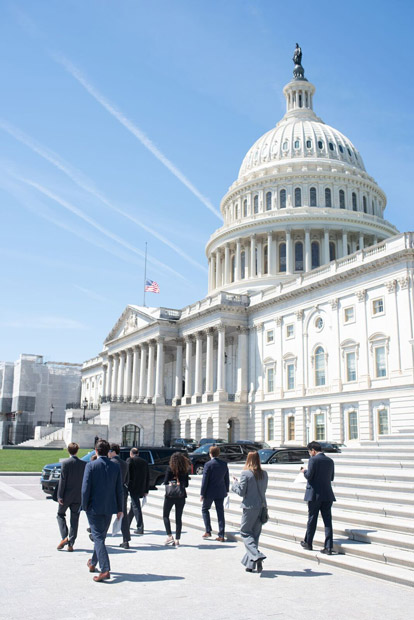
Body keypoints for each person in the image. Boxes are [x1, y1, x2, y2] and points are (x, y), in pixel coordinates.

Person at [81, 439, 123, 582]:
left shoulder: (91, 466)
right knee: (101, 537)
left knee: (98, 537)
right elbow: (119, 489)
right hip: (109, 507)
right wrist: (120, 508)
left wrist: (84, 505)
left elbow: (85, 489)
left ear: (96, 451)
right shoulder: (115, 467)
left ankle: (105, 569)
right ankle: (93, 563)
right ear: (108, 452)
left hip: (94, 507)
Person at [231, 451, 268, 573]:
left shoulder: (246, 473)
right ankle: (251, 564)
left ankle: (257, 555)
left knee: (245, 532)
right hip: (262, 506)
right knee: (254, 535)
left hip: (250, 507)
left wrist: (234, 484)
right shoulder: (264, 474)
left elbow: (241, 492)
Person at [300, 440, 336, 554]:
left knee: (312, 519)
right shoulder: (330, 461)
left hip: (314, 494)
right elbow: (331, 478)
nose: (310, 454)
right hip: (327, 494)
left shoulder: (313, 460)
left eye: (309, 452)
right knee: (327, 521)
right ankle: (329, 546)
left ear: (313, 451)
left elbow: (309, 476)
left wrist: (304, 471)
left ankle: (308, 542)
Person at [56, 442, 86, 552]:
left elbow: (62, 481)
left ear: (68, 451)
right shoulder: (83, 464)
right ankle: (71, 543)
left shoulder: (65, 463)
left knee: (60, 515)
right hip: (78, 496)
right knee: (75, 519)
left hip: (66, 495)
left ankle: (64, 537)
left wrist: (60, 495)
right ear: (77, 451)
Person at [200, 445, 229, 542]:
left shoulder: (208, 464)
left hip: (209, 492)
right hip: (220, 491)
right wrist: (227, 490)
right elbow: (226, 479)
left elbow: (205, 480)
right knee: (220, 512)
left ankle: (208, 530)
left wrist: (202, 493)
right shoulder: (224, 464)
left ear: (210, 454)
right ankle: (221, 534)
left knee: (205, 509)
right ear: (218, 453)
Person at [163, 452, 190, 547]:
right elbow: (186, 484)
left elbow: (165, 481)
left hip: (170, 495)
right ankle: (177, 539)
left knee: (166, 515)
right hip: (181, 495)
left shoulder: (170, 468)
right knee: (178, 518)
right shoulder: (185, 470)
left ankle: (170, 536)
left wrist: (172, 482)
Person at [108, 443, 131, 549]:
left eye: (109, 451)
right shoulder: (124, 463)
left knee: (106, 514)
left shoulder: (110, 463)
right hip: (123, 490)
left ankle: (99, 536)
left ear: (113, 452)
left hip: (112, 491)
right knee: (123, 515)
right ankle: (126, 540)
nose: (108, 453)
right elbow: (127, 478)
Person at [127, 447, 149, 535]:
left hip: (132, 487)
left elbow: (127, 473)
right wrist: (146, 489)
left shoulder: (130, 460)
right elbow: (147, 476)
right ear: (138, 453)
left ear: (131, 453)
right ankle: (127, 524)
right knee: (134, 506)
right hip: (141, 487)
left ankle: (140, 527)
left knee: (136, 506)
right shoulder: (144, 462)